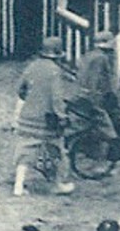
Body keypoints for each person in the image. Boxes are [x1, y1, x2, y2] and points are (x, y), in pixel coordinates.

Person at [13, 36, 75, 196]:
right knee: (56, 149)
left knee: (24, 151)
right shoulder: (54, 71)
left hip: (26, 117)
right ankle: (57, 183)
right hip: (46, 119)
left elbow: (20, 88)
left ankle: (18, 186)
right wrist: (62, 116)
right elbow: (56, 98)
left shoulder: (32, 66)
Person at [77, 30, 120, 160]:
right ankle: (115, 153)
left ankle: (90, 149)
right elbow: (98, 79)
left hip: (85, 94)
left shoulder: (88, 55)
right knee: (114, 123)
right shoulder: (102, 58)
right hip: (102, 96)